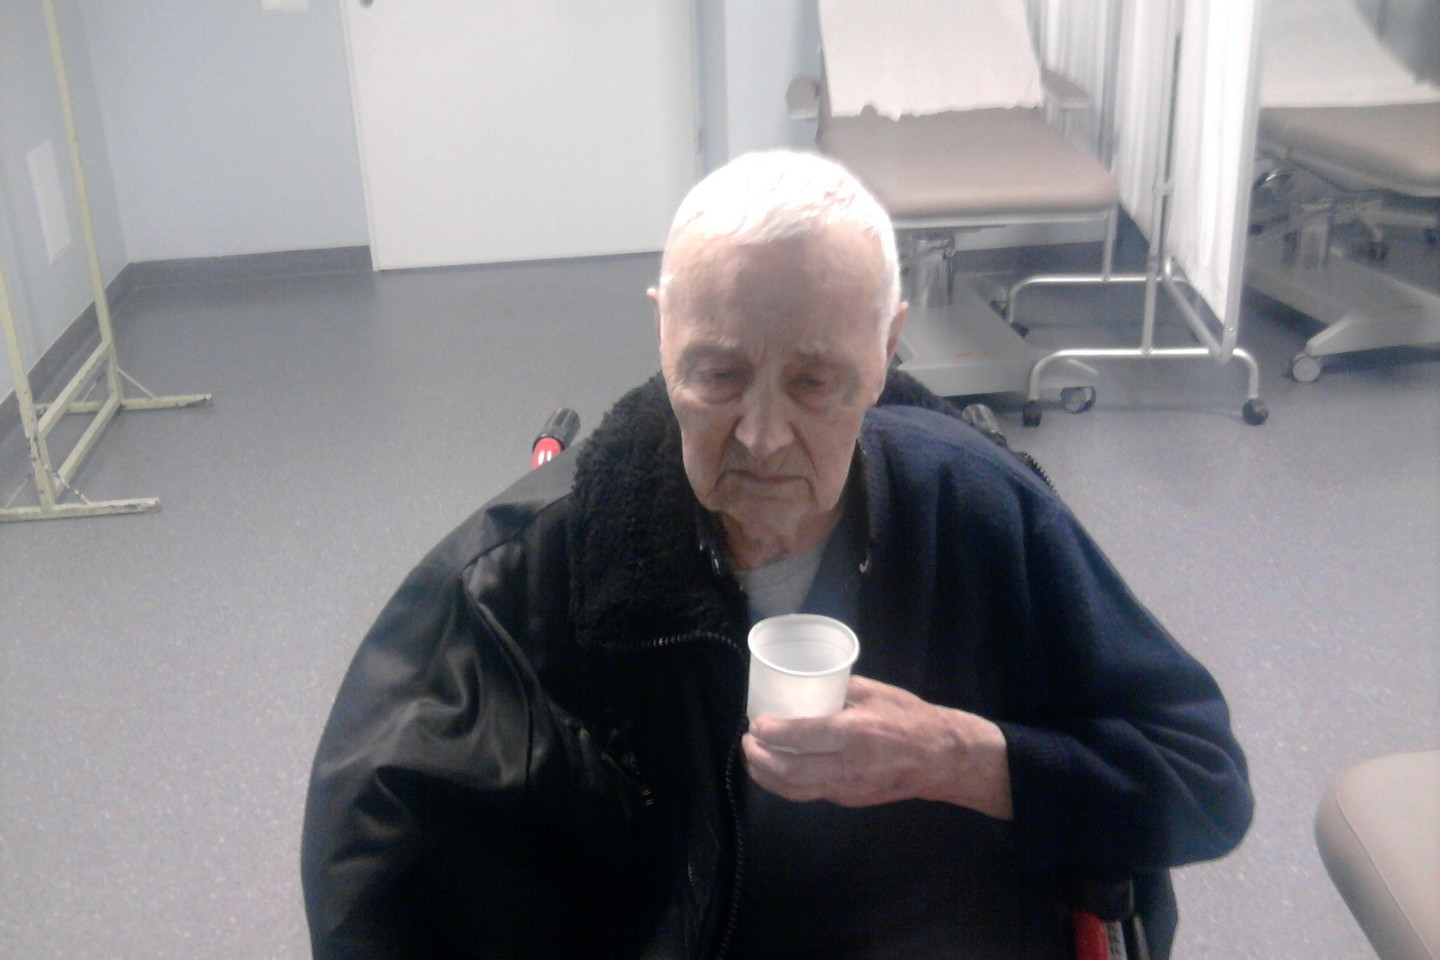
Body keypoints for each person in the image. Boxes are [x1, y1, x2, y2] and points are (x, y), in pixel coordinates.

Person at [301, 150, 1252, 960]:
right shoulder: (527, 581)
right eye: (718, 374)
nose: (761, 437)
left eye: (815, 381)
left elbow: (1205, 784)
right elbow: (380, 885)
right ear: (663, 333)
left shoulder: (977, 512)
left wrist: (958, 758)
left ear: (887, 349)